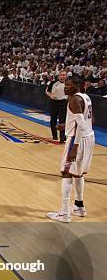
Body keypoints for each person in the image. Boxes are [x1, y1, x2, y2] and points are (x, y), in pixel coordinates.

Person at [47, 77, 94, 223]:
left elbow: (81, 125)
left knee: (66, 173)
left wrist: (75, 146)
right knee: (78, 174)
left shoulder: (74, 99)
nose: (65, 87)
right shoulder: (86, 97)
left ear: (77, 86)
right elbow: (90, 121)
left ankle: (64, 213)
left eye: (69, 85)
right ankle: (79, 207)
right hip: (89, 137)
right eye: (65, 84)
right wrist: (67, 125)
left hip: (77, 140)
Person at [45, 71, 68, 143]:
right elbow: (47, 91)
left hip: (63, 103)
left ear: (66, 76)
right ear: (58, 76)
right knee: (53, 120)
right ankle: (55, 136)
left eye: (64, 75)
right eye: (61, 75)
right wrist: (50, 95)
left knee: (62, 121)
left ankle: (62, 138)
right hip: (54, 103)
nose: (62, 76)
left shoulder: (68, 84)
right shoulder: (53, 83)